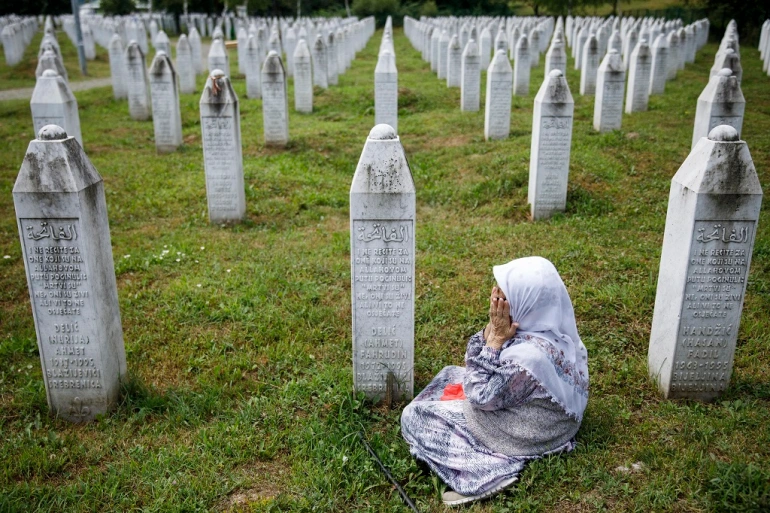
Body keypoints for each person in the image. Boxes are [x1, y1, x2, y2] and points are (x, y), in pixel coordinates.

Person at [401, 256, 589, 506]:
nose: (496, 297)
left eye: (505, 295)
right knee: (449, 374)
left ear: (525, 300)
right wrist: (492, 329)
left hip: (525, 433)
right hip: (543, 417)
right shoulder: (553, 330)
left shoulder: (527, 359)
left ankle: (486, 473)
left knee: (413, 417)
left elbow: (479, 396)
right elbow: (479, 367)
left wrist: (495, 340)